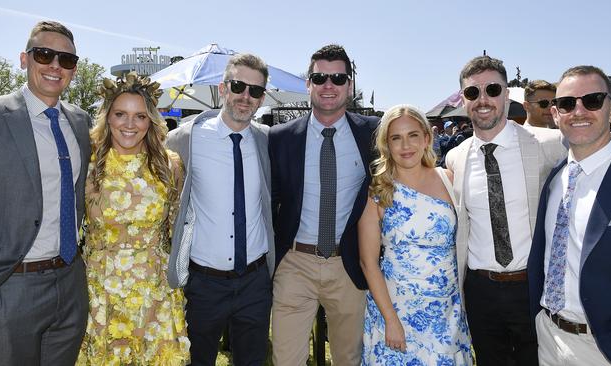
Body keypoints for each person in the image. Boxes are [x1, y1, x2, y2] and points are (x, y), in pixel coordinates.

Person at [0, 20, 90, 365]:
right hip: (12, 285)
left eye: (66, 60)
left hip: (70, 283)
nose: (55, 66)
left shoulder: (81, 121)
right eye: (44, 54)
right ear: (24, 59)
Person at [444, 56, 566, 366]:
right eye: (473, 93)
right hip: (480, 290)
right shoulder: (456, 157)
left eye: (492, 89)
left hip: (532, 287)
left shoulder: (549, 145)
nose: (483, 100)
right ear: (463, 99)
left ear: (506, 95)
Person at [269, 44, 379, 365]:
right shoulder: (280, 138)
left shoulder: (373, 134)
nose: (328, 86)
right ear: (308, 84)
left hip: (349, 265)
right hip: (295, 264)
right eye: (319, 78)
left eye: (337, 78)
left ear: (350, 85)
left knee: (349, 358)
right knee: (286, 359)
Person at [166, 53, 275, 366]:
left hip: (255, 281)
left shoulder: (269, 142)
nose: (245, 96)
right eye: (239, 85)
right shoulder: (184, 139)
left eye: (255, 91)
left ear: (262, 98)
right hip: (203, 283)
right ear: (223, 88)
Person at [80, 72, 189, 364]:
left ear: (150, 120)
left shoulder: (169, 164)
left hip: (155, 293)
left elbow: (177, 228)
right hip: (102, 292)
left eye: (140, 116)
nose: (129, 124)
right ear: (107, 117)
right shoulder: (88, 164)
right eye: (120, 114)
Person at [527, 65, 611, 366]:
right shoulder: (555, 178)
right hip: (548, 336)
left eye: (592, 100)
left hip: (605, 349)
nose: (578, 110)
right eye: (568, 103)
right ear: (556, 115)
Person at [359, 104, 473, 365]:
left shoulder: (449, 179)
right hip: (396, 311)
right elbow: (368, 262)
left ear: (426, 138)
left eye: (412, 135)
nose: (405, 145)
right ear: (386, 145)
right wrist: (391, 320)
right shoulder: (379, 190)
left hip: (447, 314)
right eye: (396, 138)